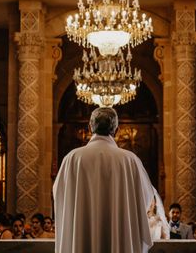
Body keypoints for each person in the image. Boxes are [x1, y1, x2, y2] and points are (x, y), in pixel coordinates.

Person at [53, 107, 158, 253]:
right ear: (116, 129)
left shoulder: (72, 159)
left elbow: (60, 195)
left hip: (82, 236)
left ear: (90, 127)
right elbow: (145, 199)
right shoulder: (129, 160)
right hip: (121, 236)